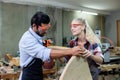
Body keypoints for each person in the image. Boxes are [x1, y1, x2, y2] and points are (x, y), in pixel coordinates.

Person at [18, 11, 82, 80]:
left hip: (37, 74)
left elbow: (39, 44)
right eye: (43, 30)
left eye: (47, 29)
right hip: (29, 76)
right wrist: (71, 51)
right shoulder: (27, 39)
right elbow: (45, 53)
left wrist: (46, 43)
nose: (46, 32)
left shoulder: (35, 35)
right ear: (34, 26)